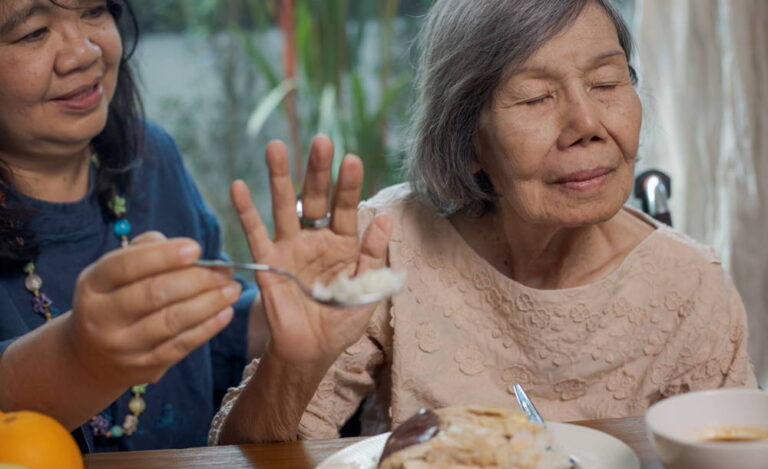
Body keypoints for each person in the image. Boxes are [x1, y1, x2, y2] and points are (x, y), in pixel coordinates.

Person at [209, 0, 757, 445]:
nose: (587, 124)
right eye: (535, 96)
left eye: (608, 83)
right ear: (467, 140)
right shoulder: (387, 245)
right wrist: (292, 365)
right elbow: (247, 467)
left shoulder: (692, 286)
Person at [0, 0, 282, 452]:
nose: (85, 52)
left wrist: (286, 309)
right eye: (34, 32)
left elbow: (209, 344)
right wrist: (80, 358)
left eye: (94, 11)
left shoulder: (152, 155)